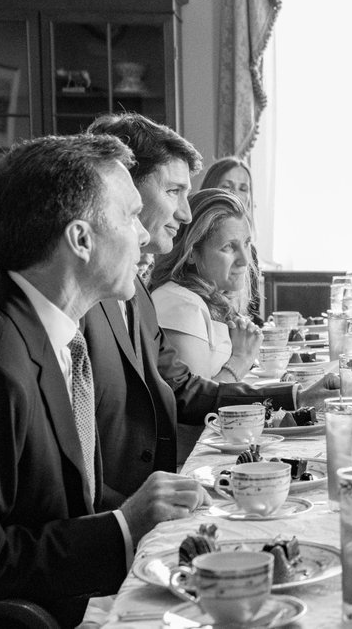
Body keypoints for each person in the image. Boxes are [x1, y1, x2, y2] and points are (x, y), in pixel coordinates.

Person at [0, 135, 209, 624]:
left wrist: (139, 512)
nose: (144, 236)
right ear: (81, 240)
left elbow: (54, 496)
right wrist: (122, 526)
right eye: (131, 216)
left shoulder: (38, 318)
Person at [83, 113, 336, 505]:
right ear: (122, 188)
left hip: (152, 494)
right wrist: (124, 517)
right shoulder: (86, 300)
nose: (185, 214)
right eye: (173, 191)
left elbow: (185, 390)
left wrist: (296, 396)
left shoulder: (136, 290)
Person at [150, 189, 262, 382]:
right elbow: (197, 398)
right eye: (229, 247)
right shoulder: (179, 304)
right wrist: (241, 359)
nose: (245, 260)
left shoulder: (211, 298)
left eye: (246, 243)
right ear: (191, 253)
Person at [200, 156, 265, 322]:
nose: (235, 193)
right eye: (227, 186)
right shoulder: (196, 244)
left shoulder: (250, 253)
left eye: (243, 188)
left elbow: (253, 314)